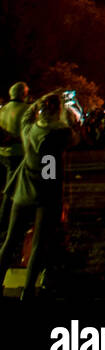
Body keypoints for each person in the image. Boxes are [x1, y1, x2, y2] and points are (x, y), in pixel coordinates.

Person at [0, 90, 82, 299]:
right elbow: (75, 133)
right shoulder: (61, 134)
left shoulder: (28, 130)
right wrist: (66, 112)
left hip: (24, 192)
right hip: (48, 195)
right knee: (38, 243)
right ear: (58, 112)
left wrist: (41, 100)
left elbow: (28, 115)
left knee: (10, 240)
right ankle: (28, 290)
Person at [0, 82, 30, 235]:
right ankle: (5, 220)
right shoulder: (26, 110)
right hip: (17, 153)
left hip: (2, 153)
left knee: (8, 184)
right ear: (23, 94)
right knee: (12, 189)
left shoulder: (3, 109)